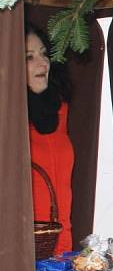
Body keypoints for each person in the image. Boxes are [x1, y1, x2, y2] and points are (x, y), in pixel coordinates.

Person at [27, 22, 74, 255]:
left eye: (44, 54)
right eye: (29, 57)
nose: (42, 62)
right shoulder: (11, 121)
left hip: (60, 247)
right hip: (21, 250)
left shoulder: (60, 109)